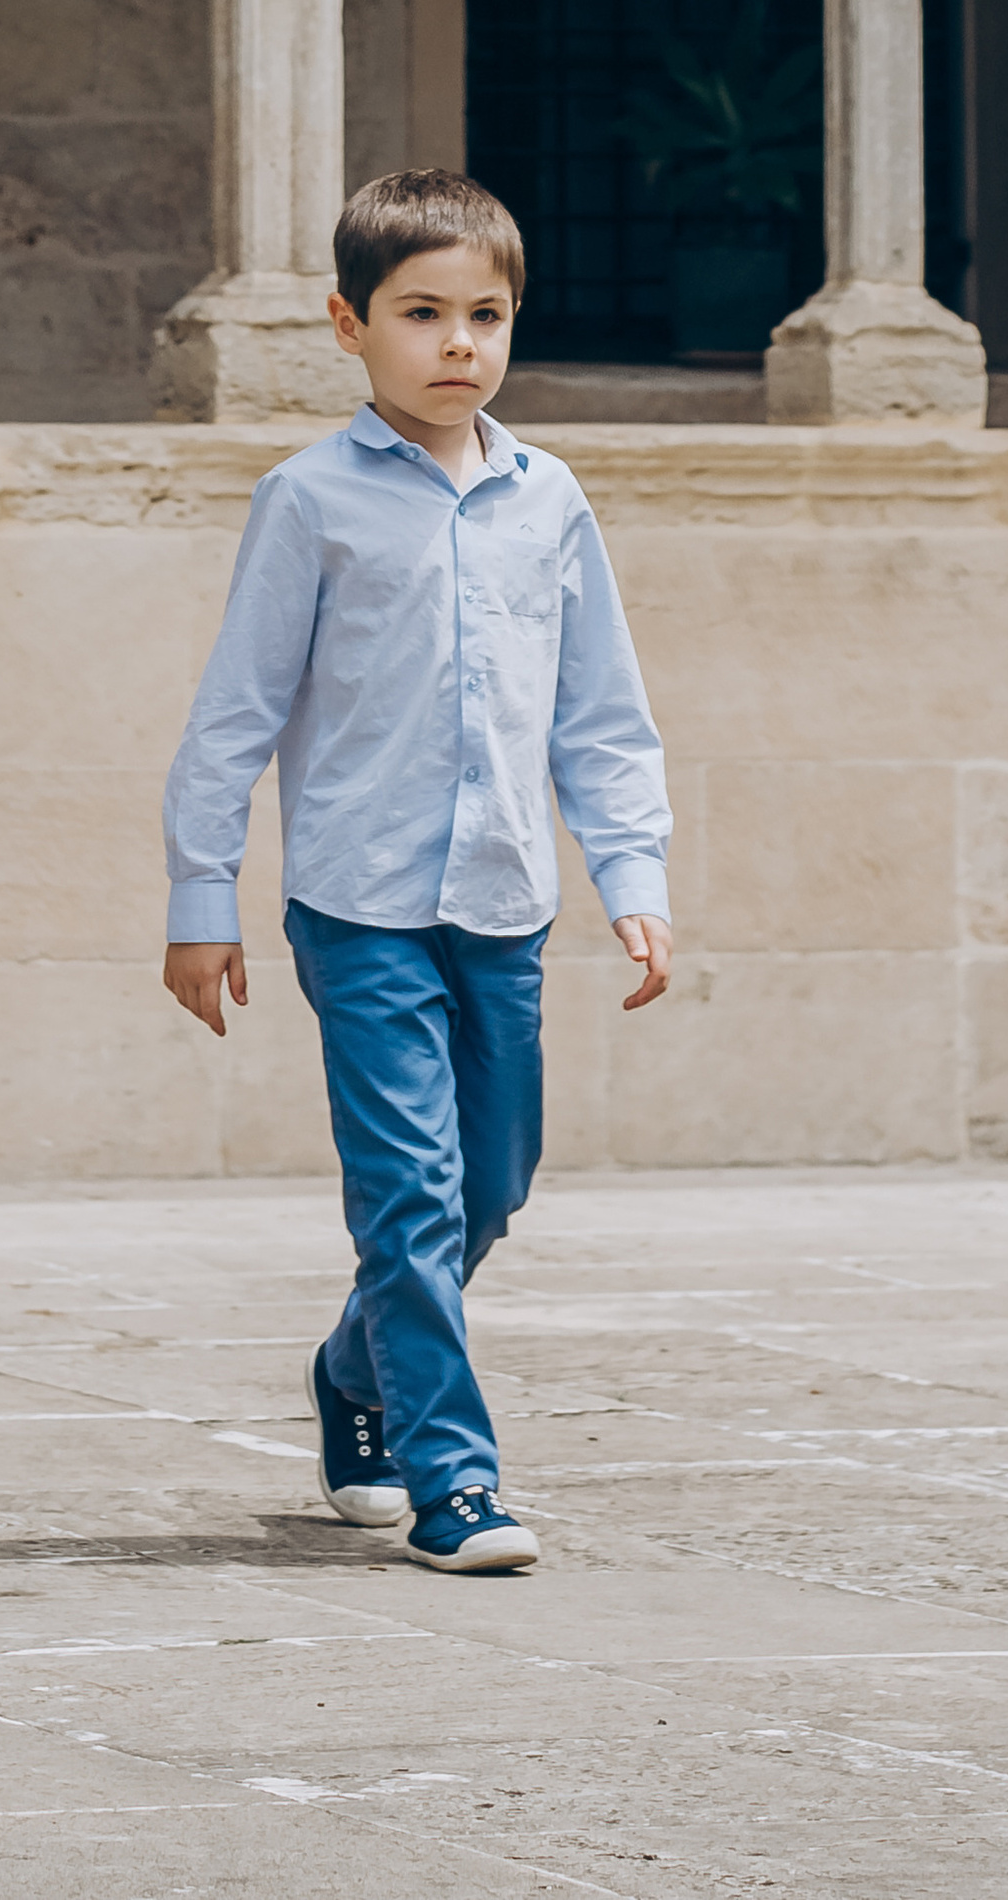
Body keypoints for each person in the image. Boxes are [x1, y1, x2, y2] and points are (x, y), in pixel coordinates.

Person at [160, 168, 673, 1575]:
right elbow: (233, 719)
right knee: (410, 1197)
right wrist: (201, 902)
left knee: (493, 1184)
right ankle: (458, 1484)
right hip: (357, 906)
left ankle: (351, 1372)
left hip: (504, 903)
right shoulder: (310, 501)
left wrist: (634, 877)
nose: (459, 343)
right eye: (424, 313)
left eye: (487, 315)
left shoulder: (549, 501)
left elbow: (601, 714)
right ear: (349, 324)